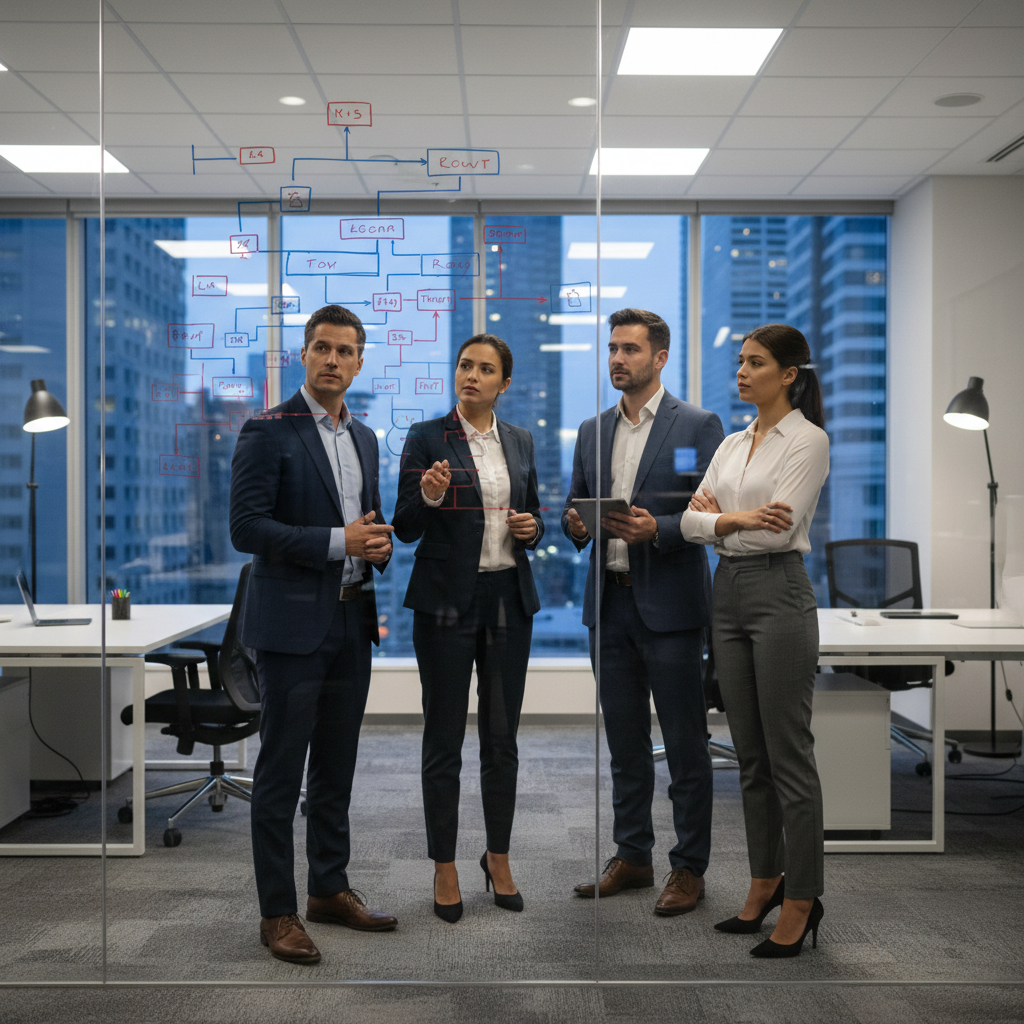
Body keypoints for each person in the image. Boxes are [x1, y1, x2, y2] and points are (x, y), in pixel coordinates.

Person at [229, 304, 397, 965]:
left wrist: (372, 546)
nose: (333, 360)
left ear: (359, 362)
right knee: (279, 774)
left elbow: (363, 521)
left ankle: (329, 887)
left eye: (346, 350)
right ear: (304, 355)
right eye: (322, 348)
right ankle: (278, 913)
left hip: (352, 619)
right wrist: (338, 542)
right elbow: (247, 529)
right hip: (292, 628)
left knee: (336, 768)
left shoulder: (365, 438)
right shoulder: (267, 430)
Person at [562, 308, 724, 915]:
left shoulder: (699, 425)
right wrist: (575, 523)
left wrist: (661, 529)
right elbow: (573, 507)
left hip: (672, 609)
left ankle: (689, 868)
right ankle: (633, 855)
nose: (617, 359)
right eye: (612, 348)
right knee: (625, 745)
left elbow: (713, 513)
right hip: (609, 606)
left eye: (630, 349)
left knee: (684, 746)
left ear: (658, 358)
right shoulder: (590, 429)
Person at [682, 323, 829, 958]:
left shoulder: (809, 441)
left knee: (788, 755)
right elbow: (690, 523)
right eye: (740, 362)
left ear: (789, 374)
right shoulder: (736, 441)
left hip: (779, 594)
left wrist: (719, 522)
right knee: (749, 756)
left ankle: (803, 896)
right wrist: (733, 521)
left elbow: (780, 530)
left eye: (756, 363)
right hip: (729, 591)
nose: (742, 372)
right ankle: (764, 879)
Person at [393, 334, 543, 923]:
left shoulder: (521, 441)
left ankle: (497, 856)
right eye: (464, 365)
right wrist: (428, 497)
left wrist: (531, 529)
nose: (471, 376)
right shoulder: (427, 437)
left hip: (508, 597)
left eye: (485, 369)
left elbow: (532, 518)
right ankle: (445, 866)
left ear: (504, 383)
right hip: (445, 604)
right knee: (445, 739)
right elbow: (404, 526)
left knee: (502, 739)